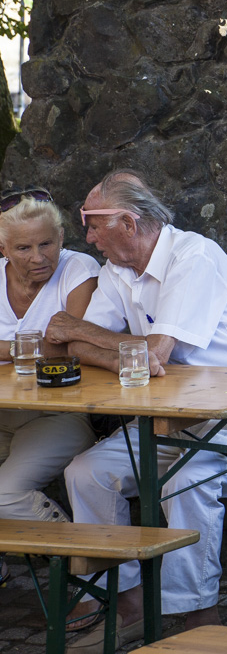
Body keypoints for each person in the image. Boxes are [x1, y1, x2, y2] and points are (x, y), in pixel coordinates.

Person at [55, 172, 227, 653]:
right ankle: (129, 602)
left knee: (188, 481)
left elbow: (152, 352)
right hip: (170, 419)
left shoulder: (194, 257)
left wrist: (89, 335)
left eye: (93, 224)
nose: (89, 237)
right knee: (86, 473)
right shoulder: (117, 271)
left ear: (128, 222)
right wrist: (119, 352)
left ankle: (196, 617)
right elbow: (75, 347)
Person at [0, 192, 98, 522]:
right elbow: (55, 347)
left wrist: (8, 350)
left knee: (4, 496)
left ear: (61, 237)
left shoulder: (78, 269)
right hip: (3, 411)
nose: (38, 257)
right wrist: (33, 348)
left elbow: (76, 348)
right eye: (23, 248)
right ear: (3, 249)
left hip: (59, 413)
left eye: (46, 244)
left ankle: (77, 551)